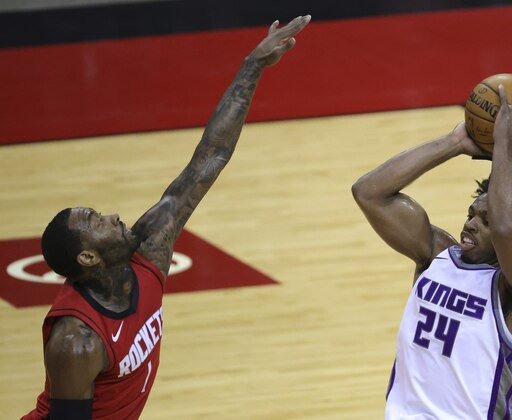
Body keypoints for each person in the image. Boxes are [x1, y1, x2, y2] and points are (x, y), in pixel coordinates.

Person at [22, 15, 311, 420]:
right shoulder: (77, 341)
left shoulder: (148, 251)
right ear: (87, 258)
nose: (113, 216)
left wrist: (253, 66)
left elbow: (210, 157)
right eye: (96, 221)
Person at [352, 80, 512, 419]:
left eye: (485, 221)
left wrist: (503, 144)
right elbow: (369, 192)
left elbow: (507, 231)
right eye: (471, 214)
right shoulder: (436, 256)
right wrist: (454, 142)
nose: (471, 224)